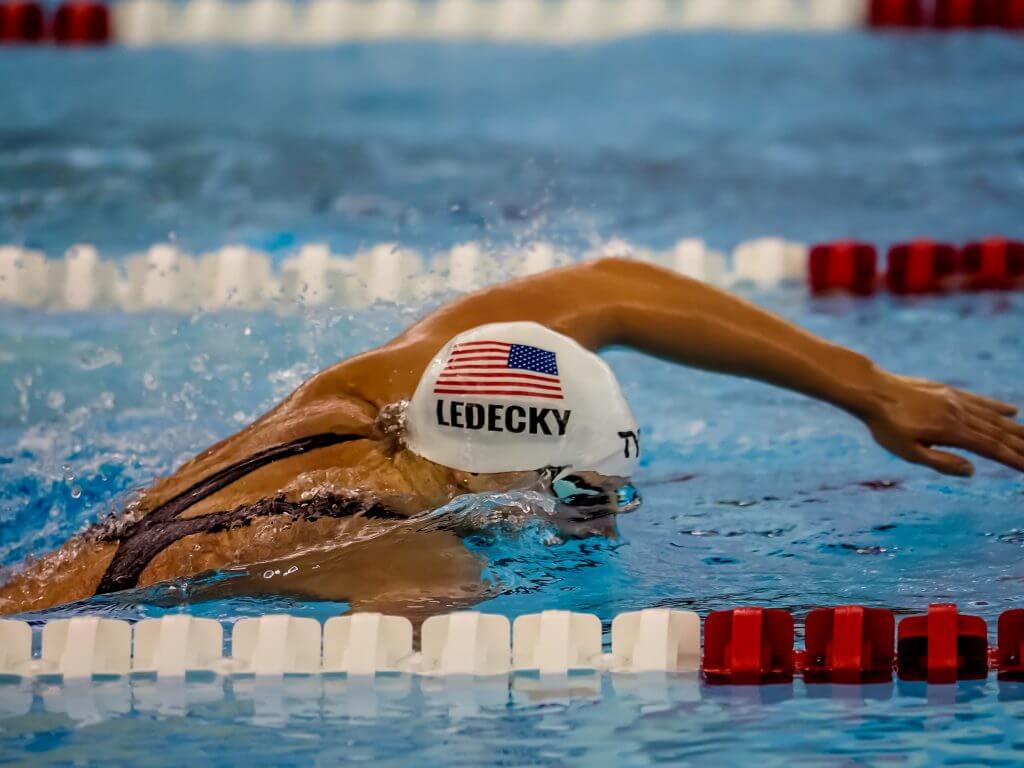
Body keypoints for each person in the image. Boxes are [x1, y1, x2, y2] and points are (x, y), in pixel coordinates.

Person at [1, 257, 1021, 617]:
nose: (595, 505)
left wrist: (868, 388)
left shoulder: (386, 387)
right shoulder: (407, 553)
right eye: (576, 485)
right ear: (509, 464)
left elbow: (615, 290)